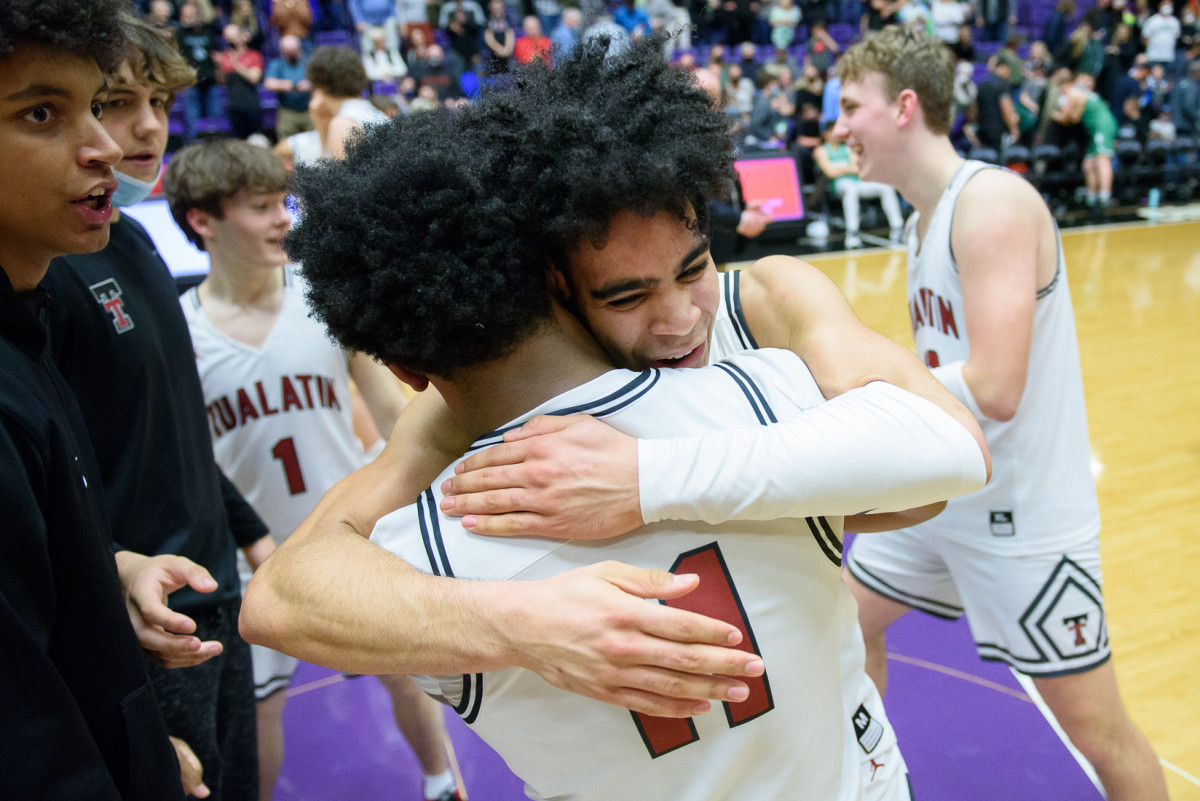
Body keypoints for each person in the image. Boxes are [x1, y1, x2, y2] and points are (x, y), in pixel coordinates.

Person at [242, 34, 990, 799]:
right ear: (553, 284)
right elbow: (282, 593)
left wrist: (646, 477)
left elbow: (941, 458)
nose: (677, 322)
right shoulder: (771, 392)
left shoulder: (765, 308)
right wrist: (525, 620)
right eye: (625, 296)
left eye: (694, 268)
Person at [827, 27, 1168, 799]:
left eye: (852, 107)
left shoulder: (992, 203)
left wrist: (858, 401)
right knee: (843, 629)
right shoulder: (924, 219)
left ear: (905, 107)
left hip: (1024, 518)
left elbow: (998, 383)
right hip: (946, 498)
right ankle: (875, 781)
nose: (840, 126)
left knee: (1101, 735)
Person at [165, 139, 462, 801]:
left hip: (352, 531)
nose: (283, 220)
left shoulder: (321, 298)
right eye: (262, 206)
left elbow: (389, 406)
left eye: (285, 202)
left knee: (403, 672)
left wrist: (434, 487)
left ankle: (442, 782)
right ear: (203, 221)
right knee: (262, 709)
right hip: (252, 552)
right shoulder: (179, 330)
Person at [42, 13, 271, 801]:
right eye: (115, 101)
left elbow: (171, 430)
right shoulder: (52, 270)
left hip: (212, 585)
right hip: (144, 615)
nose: (143, 128)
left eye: (162, 104)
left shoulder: (132, 242)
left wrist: (249, 533)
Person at [0, 1, 197, 798]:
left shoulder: (30, 316)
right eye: (42, 112)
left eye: (96, 105)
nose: (108, 147)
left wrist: (107, 567)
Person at [812, 120, 905, 247]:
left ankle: (897, 226)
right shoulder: (821, 150)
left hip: (857, 182)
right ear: (826, 134)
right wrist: (846, 167)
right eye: (832, 131)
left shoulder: (847, 148)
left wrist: (839, 168)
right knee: (850, 189)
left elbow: (857, 168)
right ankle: (852, 230)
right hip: (837, 186)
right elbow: (830, 173)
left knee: (885, 187)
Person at [1052, 71, 1119, 207]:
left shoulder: (1072, 93)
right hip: (1095, 130)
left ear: (1063, 86)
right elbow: (1076, 118)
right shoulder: (1079, 92)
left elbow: (1066, 118)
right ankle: (1091, 196)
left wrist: (1052, 114)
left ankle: (1105, 196)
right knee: (1088, 164)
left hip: (1102, 127)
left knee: (1102, 160)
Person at [215, 23, 264, 139]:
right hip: (234, 106)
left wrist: (236, 64)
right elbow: (221, 82)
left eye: (234, 36)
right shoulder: (225, 56)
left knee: (255, 139)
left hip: (251, 106)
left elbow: (254, 78)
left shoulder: (254, 55)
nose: (232, 40)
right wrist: (218, 65)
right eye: (228, 38)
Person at [263, 34, 313, 141]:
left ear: (299, 48)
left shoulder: (309, 62)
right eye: (287, 52)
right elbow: (268, 83)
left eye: (293, 51)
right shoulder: (277, 63)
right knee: (286, 143)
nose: (291, 54)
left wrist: (309, 84)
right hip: (287, 111)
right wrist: (285, 85)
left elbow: (322, 81)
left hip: (308, 110)